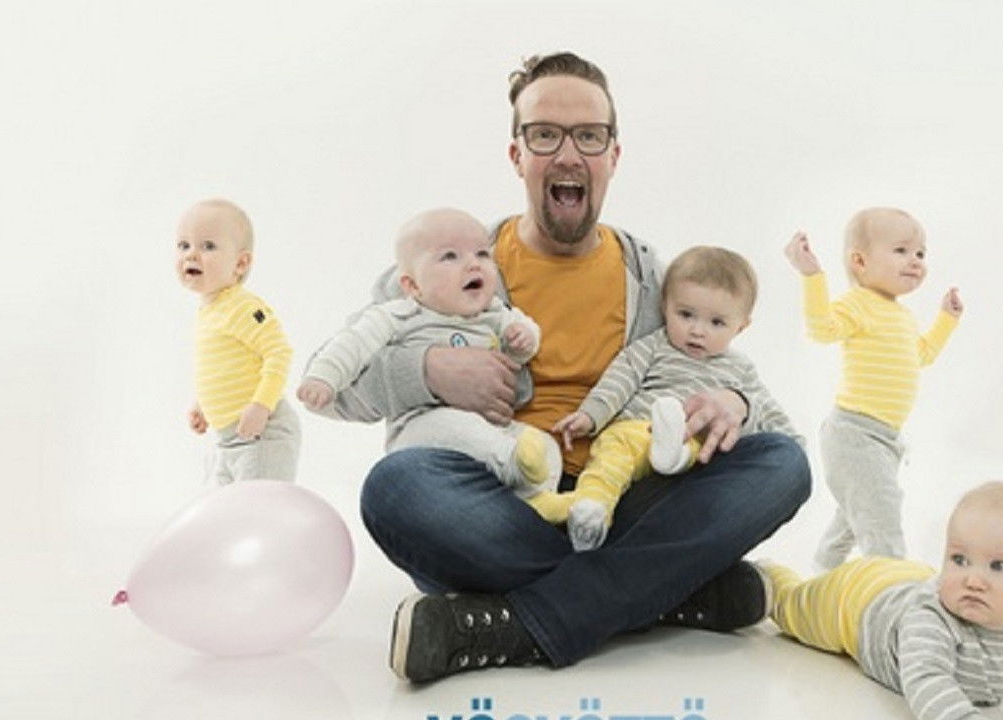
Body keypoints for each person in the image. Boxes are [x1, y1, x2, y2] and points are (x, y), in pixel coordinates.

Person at [316, 52, 811, 682]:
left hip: (623, 501)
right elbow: (333, 391)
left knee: (781, 464)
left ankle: (514, 624)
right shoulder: (448, 265)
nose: (569, 153)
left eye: (589, 136)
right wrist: (429, 371)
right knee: (398, 489)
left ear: (613, 156)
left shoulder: (652, 275)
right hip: (499, 508)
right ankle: (670, 589)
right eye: (545, 134)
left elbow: (716, 359)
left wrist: (734, 404)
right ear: (517, 156)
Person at [756, 481, 1003, 720]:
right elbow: (926, 678)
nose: (973, 579)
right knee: (792, 608)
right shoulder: (931, 621)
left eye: (998, 566)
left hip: (911, 576)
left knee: (920, 581)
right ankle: (770, 576)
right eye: (959, 559)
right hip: (859, 602)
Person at [539, 245, 801, 552]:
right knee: (611, 454)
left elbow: (772, 419)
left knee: (748, 458)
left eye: (717, 323)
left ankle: (674, 454)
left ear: (741, 326)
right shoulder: (654, 347)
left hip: (695, 456)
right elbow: (618, 381)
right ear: (665, 306)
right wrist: (589, 416)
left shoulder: (740, 371)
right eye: (686, 314)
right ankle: (590, 514)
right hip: (639, 432)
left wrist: (794, 451)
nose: (697, 331)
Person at [298, 207, 559, 493]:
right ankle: (512, 466)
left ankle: (536, 501)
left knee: (544, 448)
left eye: (483, 254)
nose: (473, 264)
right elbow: (352, 345)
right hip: (424, 427)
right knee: (450, 426)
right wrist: (324, 378)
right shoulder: (397, 315)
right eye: (450, 256)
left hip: (496, 430)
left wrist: (522, 340)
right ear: (411, 285)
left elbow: (520, 351)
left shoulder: (495, 313)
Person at [784, 209, 963, 570]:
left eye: (921, 254)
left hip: (884, 439)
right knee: (881, 511)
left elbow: (921, 355)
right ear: (860, 261)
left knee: (854, 516)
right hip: (855, 434)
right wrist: (812, 276)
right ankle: (892, 586)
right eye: (902, 251)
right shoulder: (859, 303)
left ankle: (822, 576)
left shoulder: (901, 314)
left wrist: (947, 319)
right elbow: (822, 328)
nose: (915, 261)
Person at [175, 198, 299, 484]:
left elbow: (278, 352)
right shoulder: (210, 310)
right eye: (184, 245)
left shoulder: (243, 307)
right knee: (224, 511)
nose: (192, 255)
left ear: (240, 263)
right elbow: (224, 366)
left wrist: (262, 406)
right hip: (227, 439)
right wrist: (203, 404)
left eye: (208, 246)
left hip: (262, 433)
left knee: (258, 509)